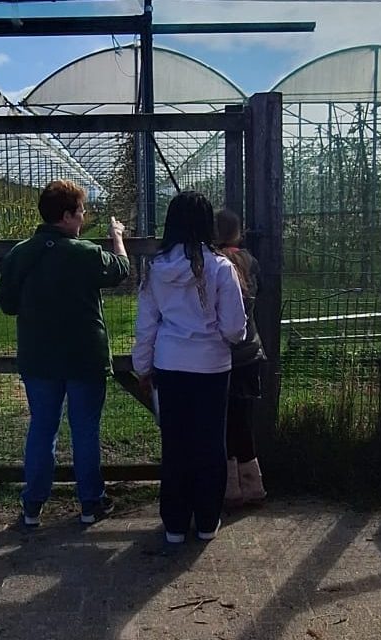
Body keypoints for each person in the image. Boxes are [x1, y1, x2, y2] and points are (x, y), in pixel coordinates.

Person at [0, 179, 130, 527]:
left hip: (39, 357)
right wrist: (117, 237)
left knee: (42, 428)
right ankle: (90, 503)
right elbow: (121, 270)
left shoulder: (19, 254)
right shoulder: (85, 253)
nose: (84, 217)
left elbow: (7, 304)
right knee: (85, 429)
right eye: (81, 211)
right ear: (67, 216)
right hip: (84, 356)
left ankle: (32, 506)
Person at [133, 191, 247, 544]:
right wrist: (221, 338)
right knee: (210, 443)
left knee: (176, 444)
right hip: (212, 367)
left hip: (170, 365)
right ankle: (208, 521)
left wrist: (142, 367)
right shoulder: (221, 267)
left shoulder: (155, 269)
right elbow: (234, 328)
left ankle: (175, 526)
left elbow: (146, 325)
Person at [215, 209, 268, 505]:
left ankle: (230, 486)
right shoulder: (249, 261)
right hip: (249, 352)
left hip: (222, 356)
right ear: (238, 232)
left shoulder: (212, 264)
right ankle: (253, 484)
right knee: (244, 420)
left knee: (222, 422)